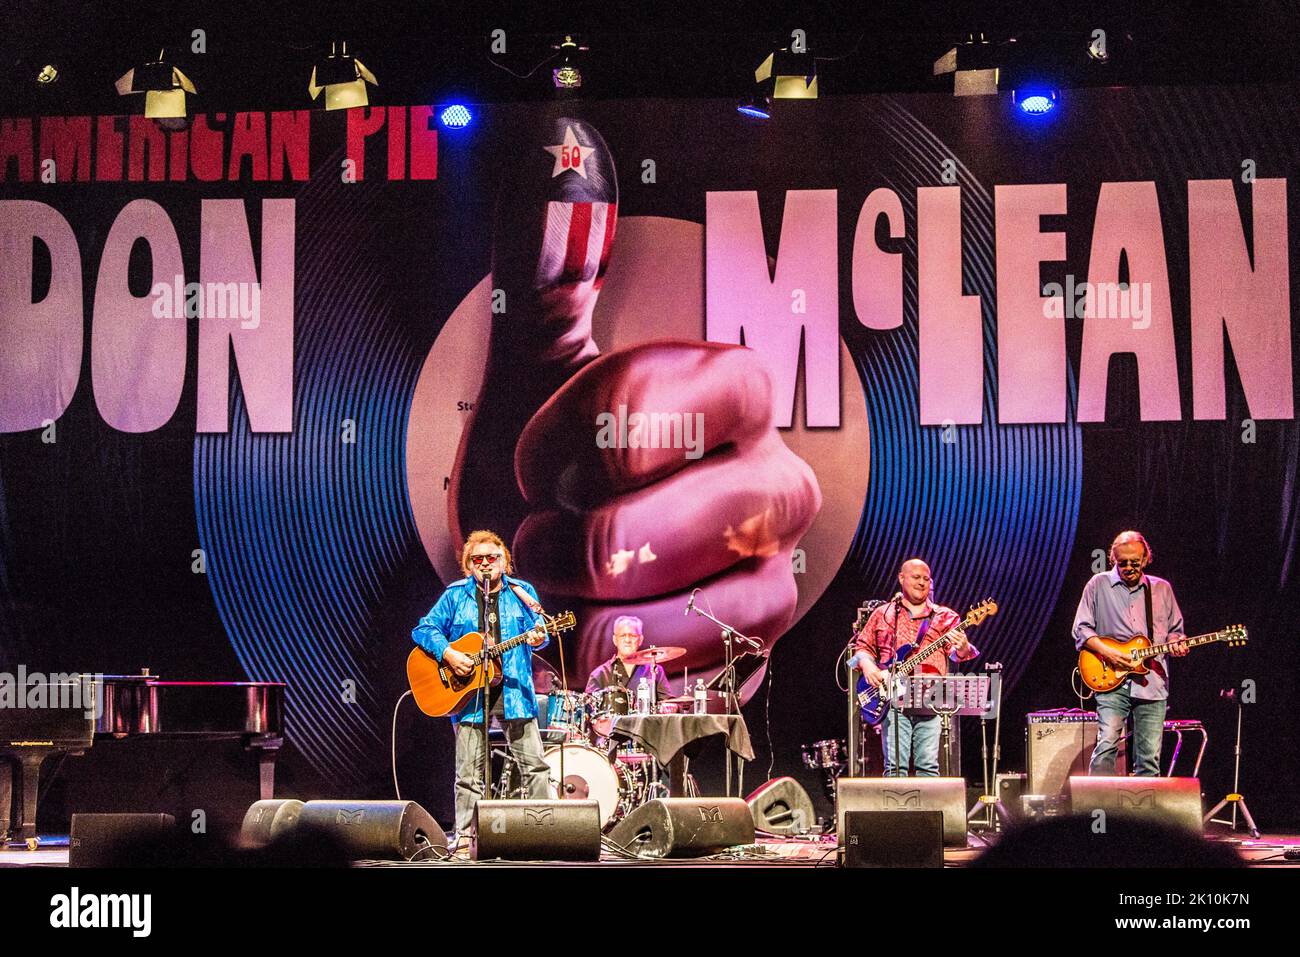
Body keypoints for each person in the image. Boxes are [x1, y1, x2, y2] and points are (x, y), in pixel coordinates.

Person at [411, 530, 550, 845]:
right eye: (478, 559)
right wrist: (448, 652)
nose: (486, 564)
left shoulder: (522, 593)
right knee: (469, 774)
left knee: (535, 766)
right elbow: (423, 629)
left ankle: (547, 832)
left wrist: (540, 636)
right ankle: (464, 837)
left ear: (504, 561)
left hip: (514, 692)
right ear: (468, 565)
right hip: (470, 694)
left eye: (492, 558)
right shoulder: (455, 595)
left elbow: (542, 632)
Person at [1072, 531, 1188, 776]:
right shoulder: (1098, 584)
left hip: (1153, 683)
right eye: (1121, 562)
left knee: (1149, 759)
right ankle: (1099, 809)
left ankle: (1141, 814)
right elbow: (1081, 628)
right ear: (1113, 560)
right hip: (1111, 679)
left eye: (1134, 562)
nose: (1128, 567)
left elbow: (1175, 631)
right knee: (1106, 747)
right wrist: (1109, 653)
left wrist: (1177, 643)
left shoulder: (1161, 589)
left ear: (1146, 559)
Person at [854, 559, 978, 776]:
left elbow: (957, 654)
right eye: (916, 577)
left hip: (930, 698)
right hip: (891, 699)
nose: (922, 582)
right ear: (901, 578)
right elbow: (861, 648)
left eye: (926, 579)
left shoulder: (945, 616)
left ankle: (927, 811)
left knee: (928, 767)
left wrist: (963, 647)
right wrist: (867, 666)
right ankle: (897, 810)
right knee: (894, 768)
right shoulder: (883, 613)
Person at [584, 615, 672, 702]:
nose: (627, 640)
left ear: (640, 640)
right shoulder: (599, 674)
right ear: (615, 640)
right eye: (622, 636)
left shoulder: (655, 670)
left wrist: (672, 706)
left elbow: (669, 703)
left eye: (632, 636)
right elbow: (589, 708)